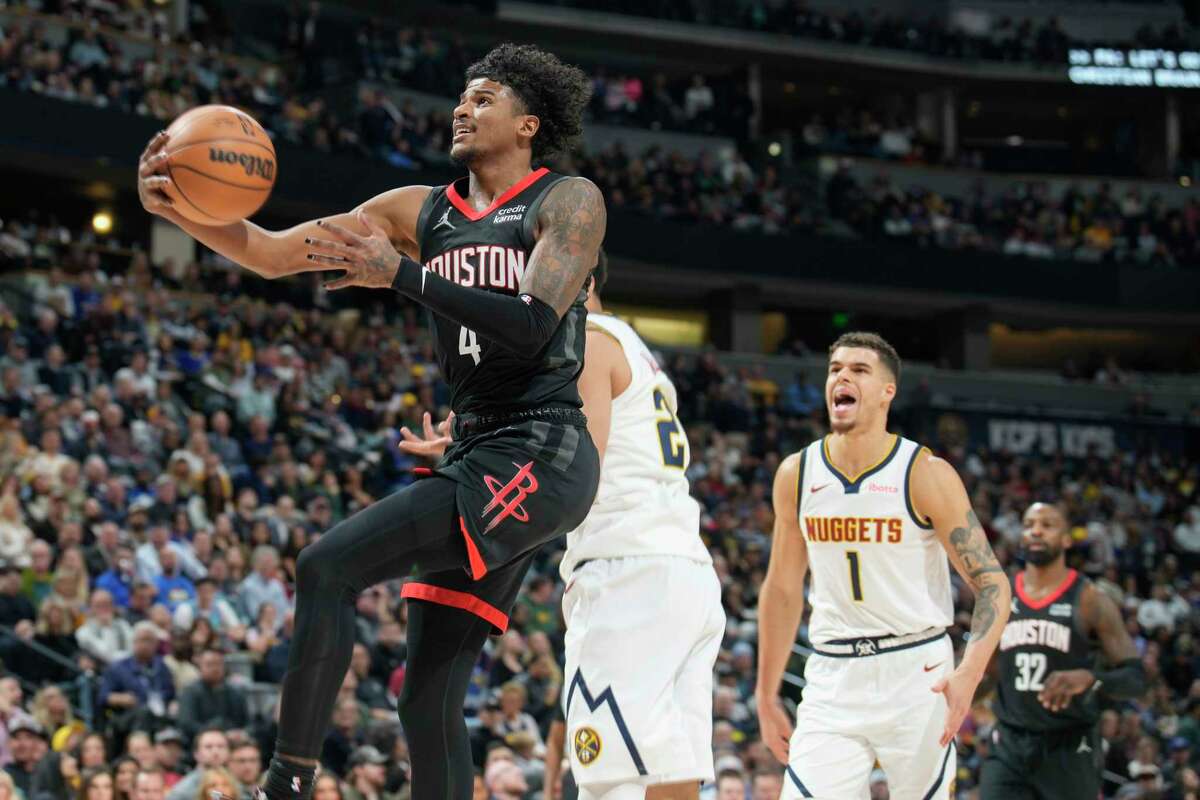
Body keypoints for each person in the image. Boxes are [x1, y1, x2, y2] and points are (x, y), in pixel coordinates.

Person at [138, 43, 603, 800]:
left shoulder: (568, 200)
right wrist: (182, 208)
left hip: (543, 447)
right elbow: (271, 252)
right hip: (481, 448)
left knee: (326, 566)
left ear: (528, 125)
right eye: (461, 95)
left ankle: (287, 780)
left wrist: (402, 274)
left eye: (484, 98)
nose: (463, 107)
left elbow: (528, 326)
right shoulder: (414, 212)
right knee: (425, 699)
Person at [755, 332, 1012, 799]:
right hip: (833, 672)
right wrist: (766, 691)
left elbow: (993, 583)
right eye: (835, 368)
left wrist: (969, 673)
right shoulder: (797, 473)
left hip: (917, 672)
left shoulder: (923, 473)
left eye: (858, 370)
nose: (842, 377)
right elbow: (782, 589)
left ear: (887, 392)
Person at [979, 502, 1147, 799]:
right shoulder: (1001, 597)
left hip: (1070, 748)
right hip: (1009, 746)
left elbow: (1136, 680)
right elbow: (985, 675)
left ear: (1067, 538)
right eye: (1029, 524)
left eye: (1047, 525)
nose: (1036, 531)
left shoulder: (1091, 600)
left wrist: (1090, 678)